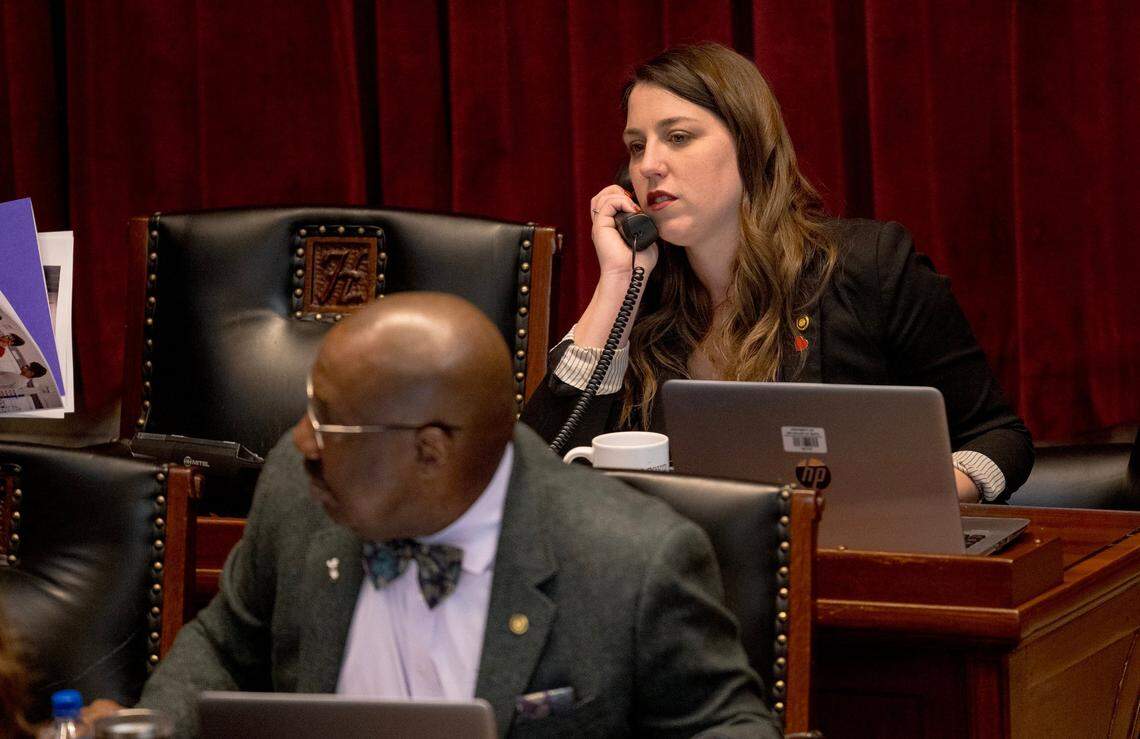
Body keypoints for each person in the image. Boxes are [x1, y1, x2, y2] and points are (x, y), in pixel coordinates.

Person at [127, 293, 778, 737]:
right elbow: (223, 644)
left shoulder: (629, 563)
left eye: (330, 423)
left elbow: (730, 726)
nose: (302, 440)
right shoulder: (298, 494)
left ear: (429, 450)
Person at [522, 43, 1033, 503]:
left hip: (846, 568)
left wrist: (915, 501)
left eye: (678, 137)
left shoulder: (869, 265)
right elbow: (533, 474)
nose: (650, 164)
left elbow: (999, 438)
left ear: (748, 146)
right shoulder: (642, 298)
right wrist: (615, 285)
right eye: (637, 146)